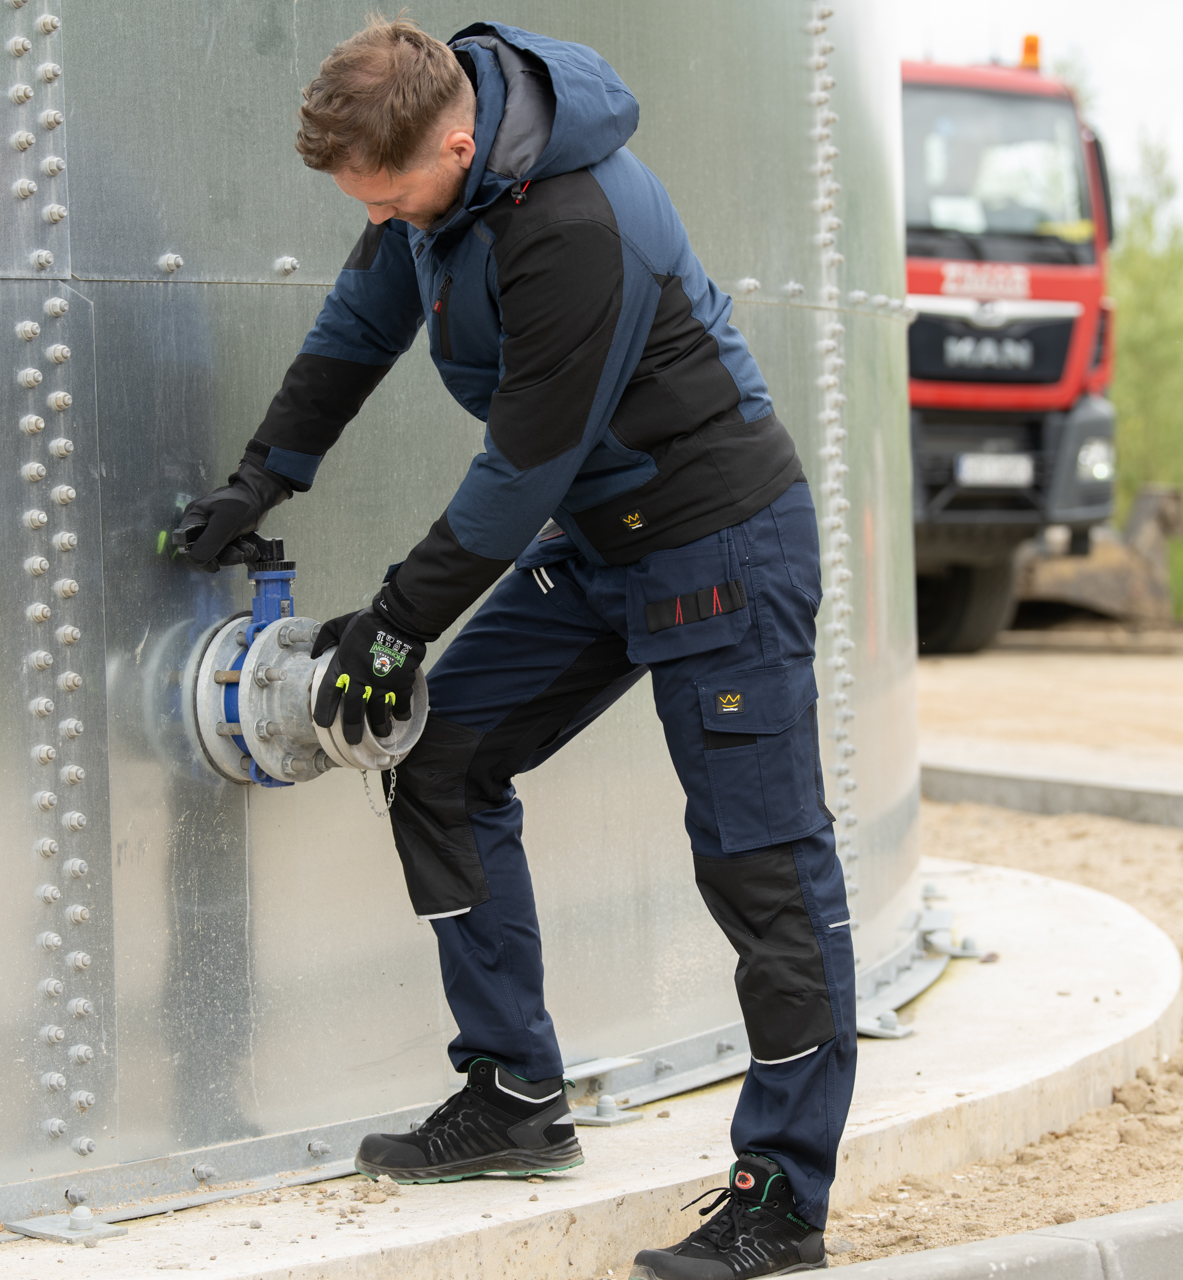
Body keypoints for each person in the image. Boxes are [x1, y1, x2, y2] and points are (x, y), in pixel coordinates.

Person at [173, 17, 854, 1278]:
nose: (377, 218)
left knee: (762, 863)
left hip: (721, 547)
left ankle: (782, 1198)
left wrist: (393, 621)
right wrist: (264, 476)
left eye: (386, 194)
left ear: (458, 137)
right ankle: (514, 1095)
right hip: (605, 539)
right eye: (360, 201)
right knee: (439, 757)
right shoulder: (427, 193)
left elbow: (520, 465)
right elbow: (354, 327)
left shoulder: (576, 226)